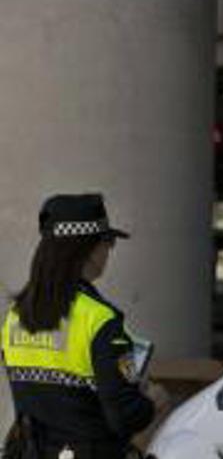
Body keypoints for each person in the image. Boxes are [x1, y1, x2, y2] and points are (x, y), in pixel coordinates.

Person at [1, 194, 167, 459]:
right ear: (88, 249)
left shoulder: (15, 316)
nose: (109, 250)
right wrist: (153, 402)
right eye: (108, 241)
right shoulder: (99, 319)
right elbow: (123, 417)